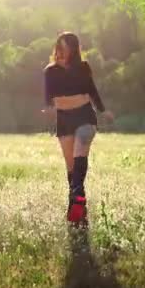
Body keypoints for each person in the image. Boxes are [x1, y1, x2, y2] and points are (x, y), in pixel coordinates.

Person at [42, 32, 114, 227]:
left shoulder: (83, 68)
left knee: (80, 151)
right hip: (64, 119)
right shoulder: (50, 71)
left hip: (84, 116)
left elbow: (92, 91)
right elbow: (48, 96)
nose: (61, 52)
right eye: (59, 48)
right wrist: (48, 108)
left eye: (65, 49)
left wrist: (103, 111)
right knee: (71, 167)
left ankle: (77, 194)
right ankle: (77, 206)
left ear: (73, 50)